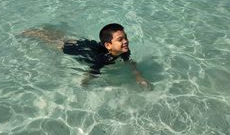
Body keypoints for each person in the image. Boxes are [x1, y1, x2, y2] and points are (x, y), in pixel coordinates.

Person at [21, 23, 150, 88]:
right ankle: (32, 33)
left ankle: (42, 31)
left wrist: (138, 76)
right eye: (120, 39)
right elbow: (92, 71)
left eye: (125, 38)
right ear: (108, 45)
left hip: (89, 46)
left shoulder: (124, 50)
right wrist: (85, 83)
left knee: (59, 38)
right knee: (55, 43)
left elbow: (130, 62)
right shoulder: (104, 59)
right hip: (74, 49)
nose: (125, 41)